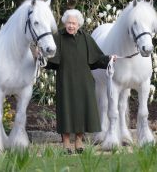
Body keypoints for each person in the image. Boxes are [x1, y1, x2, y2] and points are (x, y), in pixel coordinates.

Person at [45, 9, 117, 154]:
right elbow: (50, 60)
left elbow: (96, 60)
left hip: (84, 82)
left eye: (73, 23)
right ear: (65, 23)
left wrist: (109, 59)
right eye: (68, 23)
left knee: (83, 111)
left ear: (79, 24)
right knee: (66, 110)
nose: (71, 26)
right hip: (65, 81)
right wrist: (40, 57)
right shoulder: (58, 37)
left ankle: (78, 142)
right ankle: (66, 143)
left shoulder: (86, 38)